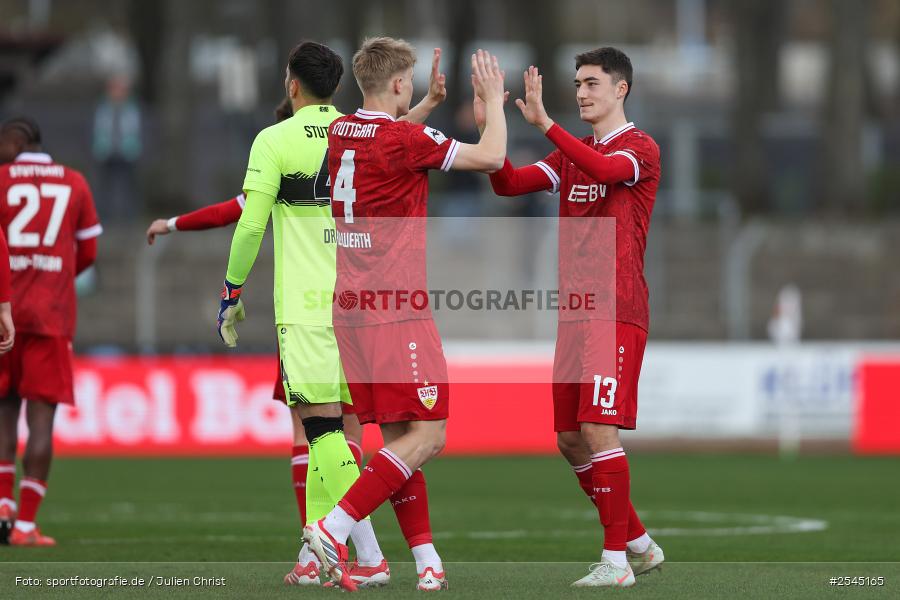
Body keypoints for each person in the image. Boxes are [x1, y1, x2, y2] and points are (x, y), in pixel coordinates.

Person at [216, 41, 448, 589]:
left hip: (307, 306)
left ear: (291, 83)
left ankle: (362, 552)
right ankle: (320, 554)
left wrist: (231, 289)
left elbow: (250, 224)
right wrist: (430, 106)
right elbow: (401, 141)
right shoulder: (350, 132)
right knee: (352, 434)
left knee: (320, 433)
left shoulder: (275, 139)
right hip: (362, 300)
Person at [302, 38, 507, 592]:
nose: (413, 87)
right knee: (432, 434)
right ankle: (333, 526)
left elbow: (385, 143)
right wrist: (494, 99)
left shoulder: (342, 131)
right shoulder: (404, 138)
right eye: (410, 80)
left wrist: (428, 108)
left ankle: (425, 561)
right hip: (395, 307)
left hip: (351, 306)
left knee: (400, 437)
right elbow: (491, 159)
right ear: (398, 84)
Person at [482, 47, 664, 587]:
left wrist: (546, 124)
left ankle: (616, 564)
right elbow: (508, 184)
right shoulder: (571, 155)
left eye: (591, 83)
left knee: (596, 428)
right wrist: (493, 121)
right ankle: (637, 541)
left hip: (617, 310)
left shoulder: (639, 149)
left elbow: (606, 170)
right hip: (576, 315)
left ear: (620, 89)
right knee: (568, 437)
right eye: (577, 83)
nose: (581, 92)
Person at [0, 116, 102, 546]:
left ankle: (3, 503)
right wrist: (57, 275)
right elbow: (89, 251)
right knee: (40, 423)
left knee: (4, 413)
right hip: (51, 314)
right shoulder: (74, 182)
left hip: (3, 310)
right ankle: (25, 526)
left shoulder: (2, 179)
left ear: (15, 142)